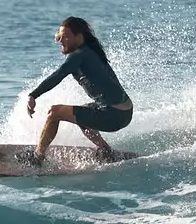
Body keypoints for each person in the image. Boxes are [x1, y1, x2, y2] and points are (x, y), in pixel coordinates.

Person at [26, 16, 133, 160]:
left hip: (114, 115)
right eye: (60, 36)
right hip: (125, 112)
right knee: (81, 113)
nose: (60, 40)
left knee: (54, 112)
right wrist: (61, 35)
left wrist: (34, 95)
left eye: (65, 37)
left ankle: (37, 157)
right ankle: (105, 150)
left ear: (79, 37)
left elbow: (58, 75)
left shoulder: (79, 55)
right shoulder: (91, 50)